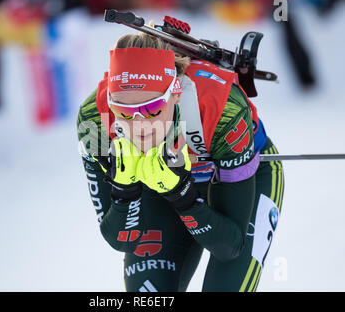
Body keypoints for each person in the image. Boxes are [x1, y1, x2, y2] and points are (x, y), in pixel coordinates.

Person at [77, 31, 284, 292]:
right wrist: (124, 191)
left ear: (175, 93)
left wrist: (181, 196)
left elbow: (230, 246)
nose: (140, 126)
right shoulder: (94, 121)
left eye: (152, 109)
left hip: (239, 178)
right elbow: (121, 240)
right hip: (160, 184)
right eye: (124, 112)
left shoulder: (222, 108)